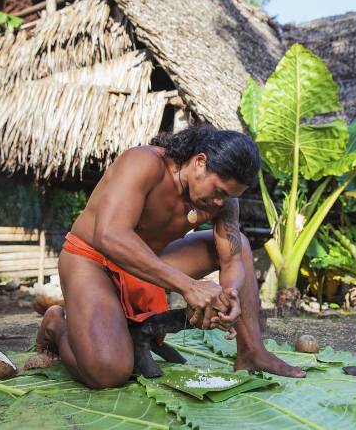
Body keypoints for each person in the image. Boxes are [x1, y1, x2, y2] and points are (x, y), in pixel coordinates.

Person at [35, 124, 305, 389]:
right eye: (220, 192)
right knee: (109, 373)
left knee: (241, 245)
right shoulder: (144, 162)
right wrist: (189, 287)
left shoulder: (223, 203)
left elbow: (232, 260)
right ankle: (57, 326)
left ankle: (251, 351)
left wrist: (228, 295)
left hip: (148, 263)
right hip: (92, 258)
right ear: (200, 162)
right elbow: (110, 235)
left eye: (230, 196)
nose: (221, 203)